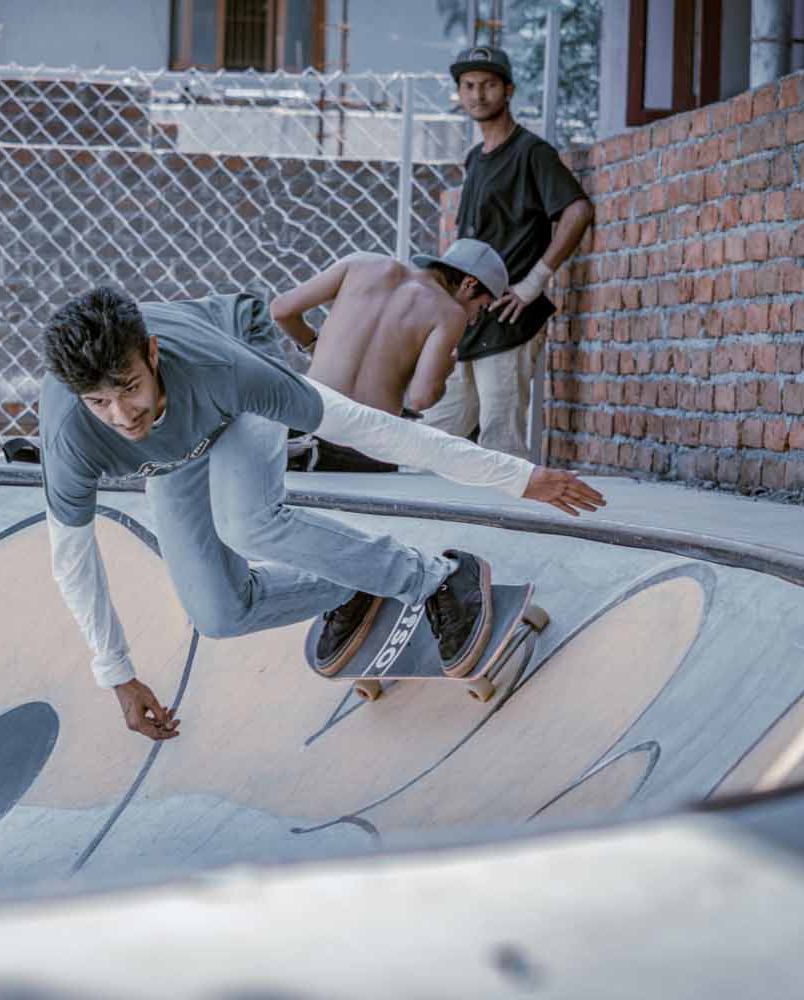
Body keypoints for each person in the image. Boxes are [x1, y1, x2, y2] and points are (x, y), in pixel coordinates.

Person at [39, 286, 607, 741]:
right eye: (99, 402)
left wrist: (516, 476)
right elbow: (73, 563)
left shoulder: (229, 370)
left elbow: (377, 431)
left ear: (154, 355)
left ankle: (435, 577)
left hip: (230, 387)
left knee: (246, 522)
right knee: (219, 614)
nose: (121, 416)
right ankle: (353, 584)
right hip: (175, 454)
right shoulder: (71, 434)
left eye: (130, 389)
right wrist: (116, 673)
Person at [425, 45, 596, 458]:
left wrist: (533, 282)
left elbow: (578, 210)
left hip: (509, 316)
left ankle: (510, 521)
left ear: (508, 90)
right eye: (468, 86)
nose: (478, 95)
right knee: (432, 440)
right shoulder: (475, 159)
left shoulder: (530, 152)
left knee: (501, 442)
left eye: (488, 85)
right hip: (472, 320)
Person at [269, 239, 507, 473]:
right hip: (364, 447)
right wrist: (444, 370)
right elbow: (421, 399)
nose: (475, 319)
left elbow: (281, 310)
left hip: (304, 423)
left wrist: (314, 345)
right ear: (469, 283)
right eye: (481, 307)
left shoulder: (359, 263)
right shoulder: (450, 313)